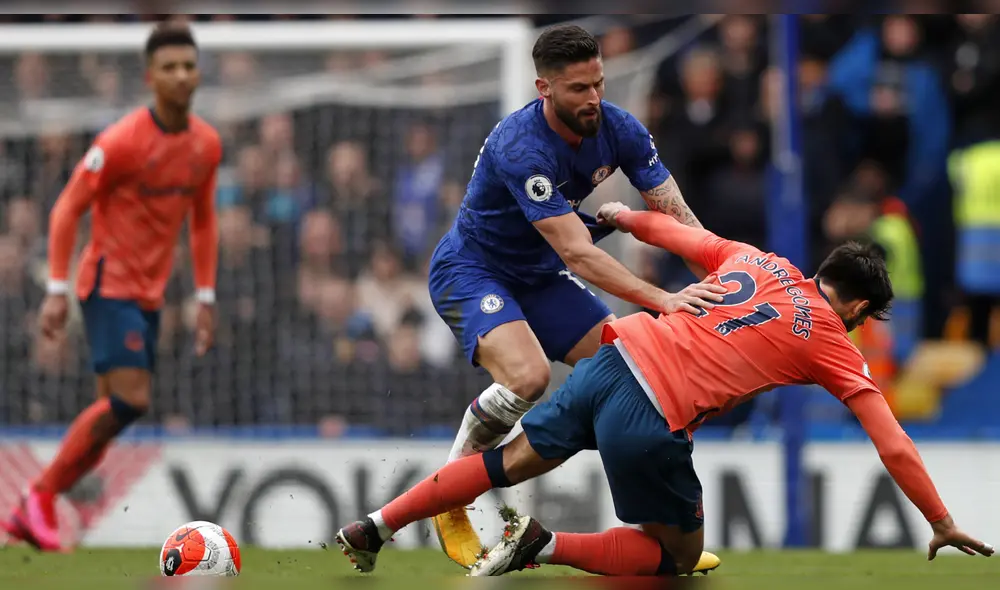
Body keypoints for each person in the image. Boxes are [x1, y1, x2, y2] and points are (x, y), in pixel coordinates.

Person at [336, 204, 994, 577]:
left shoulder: (756, 259)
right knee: (680, 556)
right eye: (862, 316)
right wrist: (940, 520)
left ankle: (376, 524)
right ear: (853, 305)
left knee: (502, 465)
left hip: (615, 357)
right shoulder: (830, 337)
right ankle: (544, 543)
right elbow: (895, 444)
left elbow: (680, 235)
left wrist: (622, 213)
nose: (856, 327)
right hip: (652, 411)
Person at [426, 24, 725, 570]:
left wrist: (724, 276)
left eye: (599, 84)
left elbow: (677, 216)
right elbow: (578, 255)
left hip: (539, 276)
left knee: (639, 379)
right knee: (529, 377)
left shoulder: (620, 128)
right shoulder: (520, 147)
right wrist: (663, 299)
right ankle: (452, 498)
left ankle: (665, 536)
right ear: (544, 88)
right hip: (474, 271)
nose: (594, 99)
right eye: (578, 90)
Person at [1, 22, 222, 552]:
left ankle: (31, 512)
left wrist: (206, 299)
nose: (181, 75)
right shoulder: (120, 141)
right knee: (133, 399)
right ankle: (40, 495)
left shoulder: (205, 145)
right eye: (169, 67)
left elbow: (205, 222)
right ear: (150, 77)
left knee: (110, 418)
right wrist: (56, 288)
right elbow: (65, 209)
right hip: (107, 284)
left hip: (150, 293)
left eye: (188, 65)